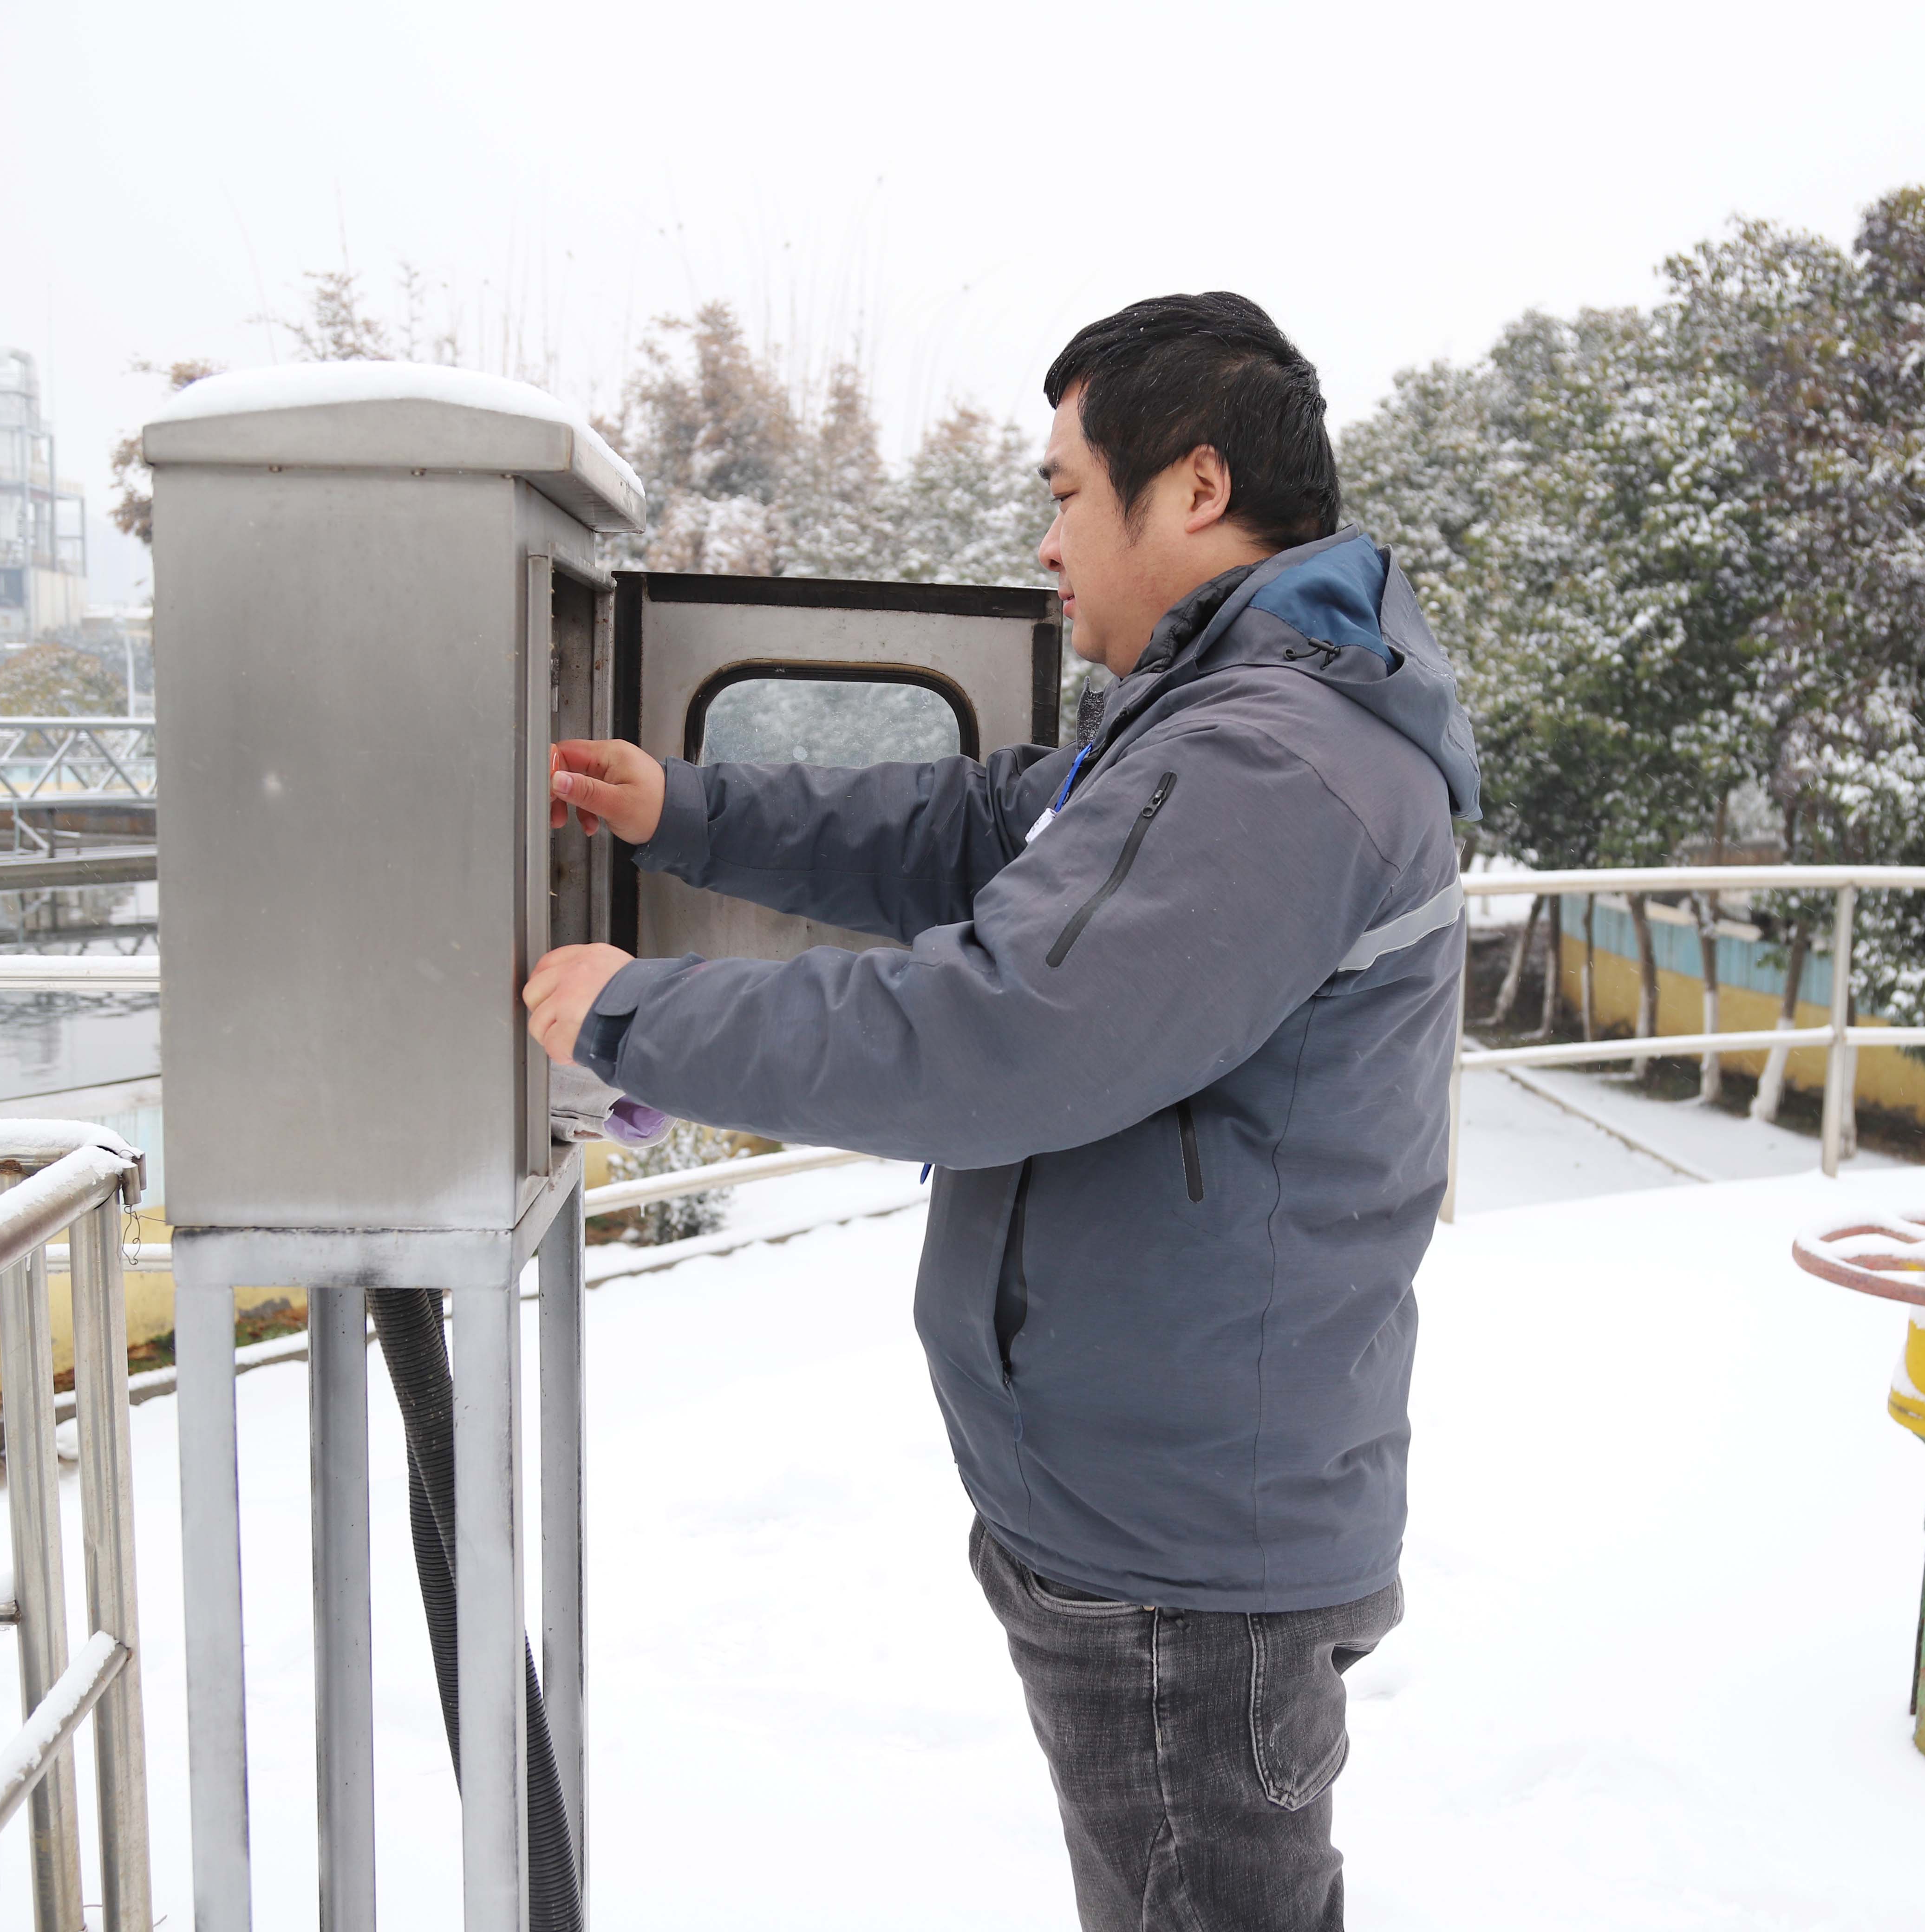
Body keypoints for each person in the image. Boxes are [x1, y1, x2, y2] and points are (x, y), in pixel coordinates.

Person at [523, 291, 1480, 1931]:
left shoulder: (1272, 765)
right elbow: (976, 828)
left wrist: (631, 1012)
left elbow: (998, 1036)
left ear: (1193, 488)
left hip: (1183, 1562)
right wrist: (686, 805)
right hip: (1149, 1514)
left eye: (1064, 492)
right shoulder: (1208, 722)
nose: (1046, 541)